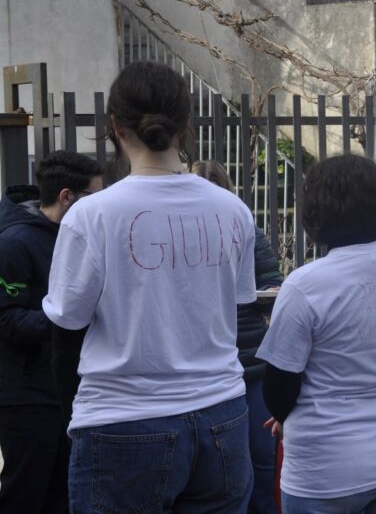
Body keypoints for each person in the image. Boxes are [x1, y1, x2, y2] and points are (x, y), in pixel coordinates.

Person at [42, 61, 257, 512]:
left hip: (123, 421)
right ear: (185, 126)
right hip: (223, 416)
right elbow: (239, 312)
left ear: (115, 128)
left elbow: (66, 328)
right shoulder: (233, 210)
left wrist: (73, 417)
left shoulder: (91, 216)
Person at [257, 154, 376, 513]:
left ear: (316, 211)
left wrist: (287, 414)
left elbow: (278, 388)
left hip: (326, 467)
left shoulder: (305, 285)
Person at [0, 151, 102, 514]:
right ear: (66, 197)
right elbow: (7, 321)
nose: (101, 204)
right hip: (28, 397)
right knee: (26, 495)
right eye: (94, 195)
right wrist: (66, 320)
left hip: (73, 390)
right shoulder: (14, 243)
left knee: (66, 495)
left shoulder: (81, 237)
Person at [191, 160, 283, 514]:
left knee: (261, 455)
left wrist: (255, 295)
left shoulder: (245, 229)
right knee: (219, 465)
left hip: (251, 364)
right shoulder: (181, 233)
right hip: (207, 367)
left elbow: (272, 283)